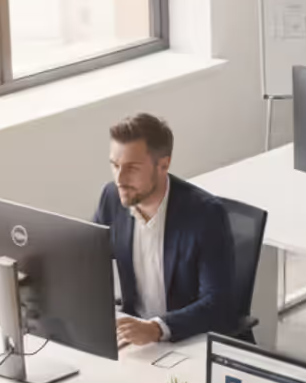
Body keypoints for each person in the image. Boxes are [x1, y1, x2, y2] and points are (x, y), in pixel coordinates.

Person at [93, 113, 237, 348]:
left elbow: (219, 303)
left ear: (164, 164)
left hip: (189, 340)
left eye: (132, 168)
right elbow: (89, 260)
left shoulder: (206, 215)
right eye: (115, 166)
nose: (120, 179)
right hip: (137, 338)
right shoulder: (110, 198)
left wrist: (157, 328)